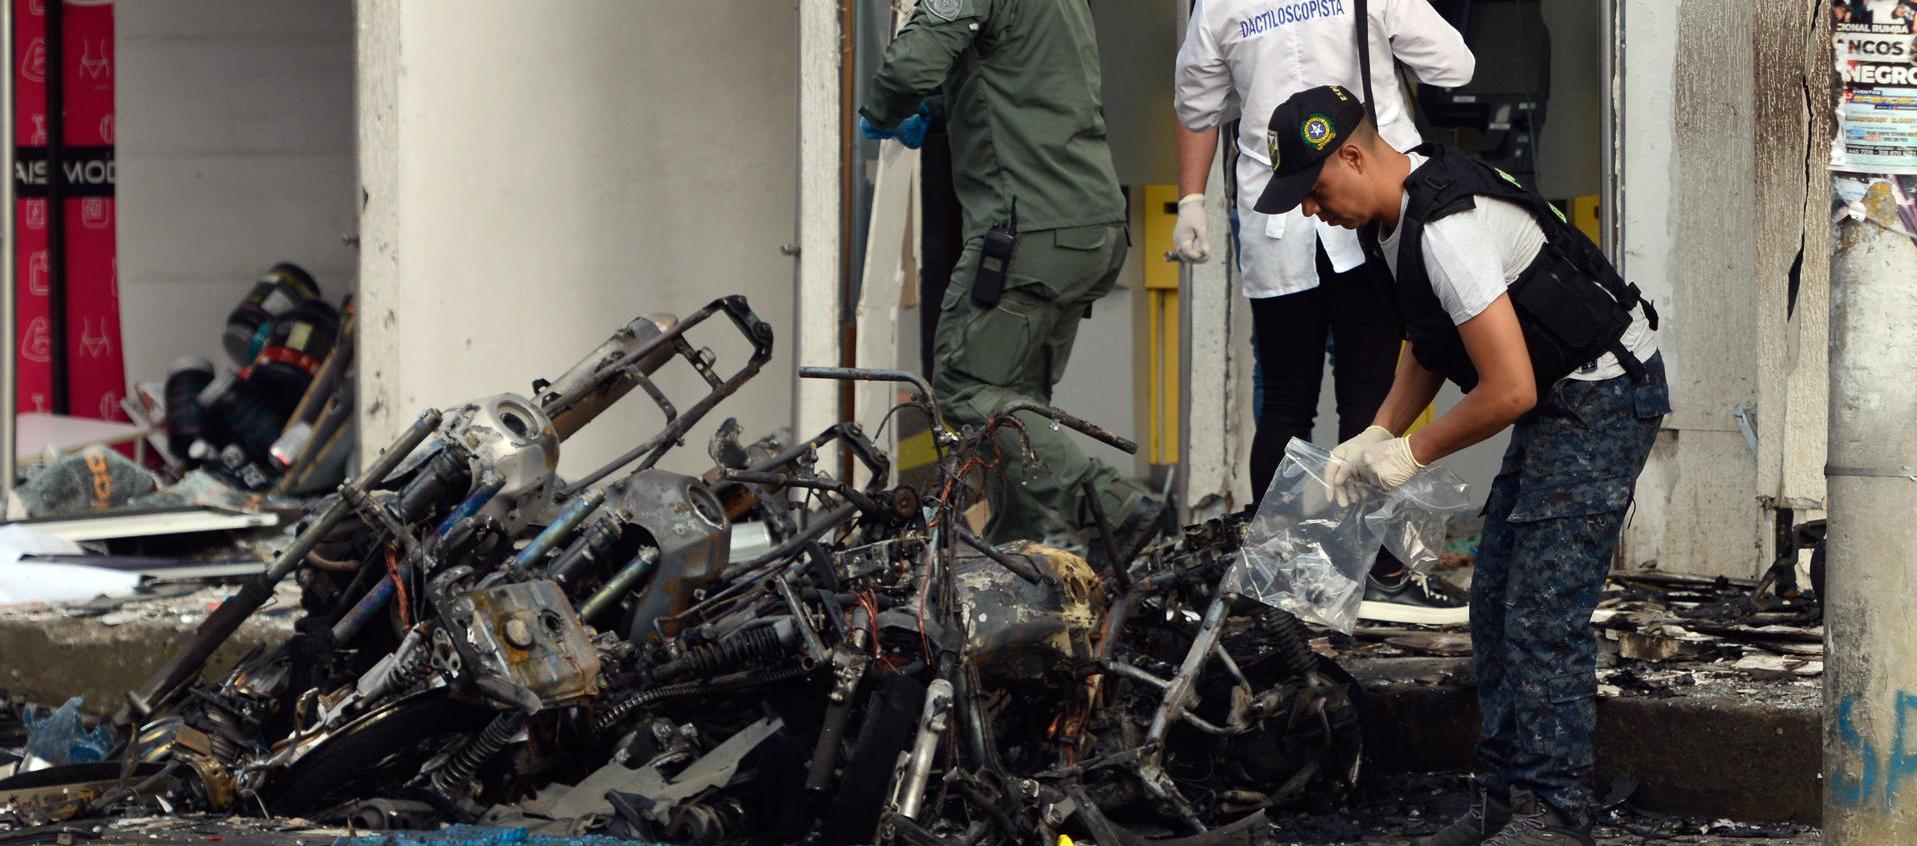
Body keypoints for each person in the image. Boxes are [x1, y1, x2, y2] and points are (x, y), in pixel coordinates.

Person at [1255, 85, 1669, 846]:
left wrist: (1411, 454)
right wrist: (1375, 431)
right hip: (1553, 393)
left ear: (1353, 154)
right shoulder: (1392, 220)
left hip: (1603, 393)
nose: (1312, 212)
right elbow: (1428, 338)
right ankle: (1504, 801)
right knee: (1493, 607)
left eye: (1314, 192)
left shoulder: (1448, 225)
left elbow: (1506, 388)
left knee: (1540, 615)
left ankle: (1554, 815)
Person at [1173, 0, 1475, 623]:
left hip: (1278, 212)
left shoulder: (1220, 5)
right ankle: (1382, 576)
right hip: (1360, 201)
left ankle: (1284, 582)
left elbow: (1197, 104)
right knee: (1370, 391)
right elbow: (1455, 67)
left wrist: (1191, 200)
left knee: (1287, 400)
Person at [859, 0, 1163, 552]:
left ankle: (1113, 504)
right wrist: (939, 106)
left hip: (1028, 233)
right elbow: (1022, 74)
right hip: (1090, 226)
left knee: (964, 387)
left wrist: (883, 111)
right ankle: (1012, 558)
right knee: (1013, 404)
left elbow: (907, 67)